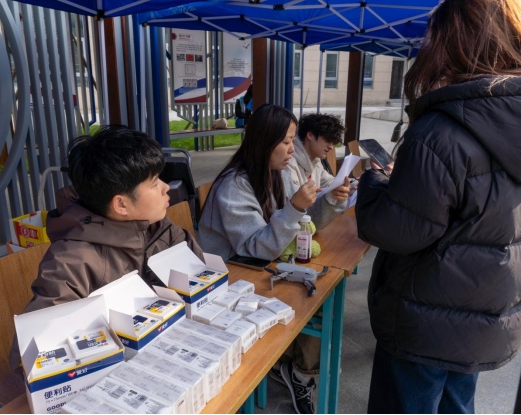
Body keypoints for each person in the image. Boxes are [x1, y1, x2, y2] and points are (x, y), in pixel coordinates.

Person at [355, 0, 521, 413]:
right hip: (485, 315)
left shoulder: (440, 130)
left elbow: (397, 230)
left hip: (424, 319)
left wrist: (375, 183)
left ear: (452, 42)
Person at [10, 126, 203, 376]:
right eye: (155, 183)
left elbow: (202, 279)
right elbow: (32, 357)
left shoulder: (158, 226)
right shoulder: (72, 262)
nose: (167, 187)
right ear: (121, 204)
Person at [199, 104, 350, 262]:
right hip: (230, 268)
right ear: (264, 142)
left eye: (293, 141)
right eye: (286, 142)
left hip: (263, 261)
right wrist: (295, 207)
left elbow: (304, 223)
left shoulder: (279, 174)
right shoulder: (234, 186)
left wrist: (331, 199)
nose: (292, 149)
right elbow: (256, 248)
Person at [274, 112, 350, 415]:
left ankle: (293, 363)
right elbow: (294, 221)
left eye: (291, 142)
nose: (331, 146)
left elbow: (303, 215)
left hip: (287, 247)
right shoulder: (282, 170)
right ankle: (301, 371)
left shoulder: (314, 163)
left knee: (322, 286)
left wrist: (340, 191)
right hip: (274, 257)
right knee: (318, 293)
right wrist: (316, 203)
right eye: (285, 142)